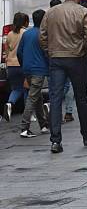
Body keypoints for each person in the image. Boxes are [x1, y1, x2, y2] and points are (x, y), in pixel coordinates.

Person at [40, 0, 87, 154]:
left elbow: (42, 36)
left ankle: (55, 141)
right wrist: (86, 52)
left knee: (56, 98)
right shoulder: (83, 12)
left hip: (56, 58)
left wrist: (49, 52)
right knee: (81, 97)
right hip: (76, 58)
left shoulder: (50, 12)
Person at [17, 9, 49, 137]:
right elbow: (47, 53)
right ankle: (24, 127)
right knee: (33, 98)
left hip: (27, 69)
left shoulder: (26, 34)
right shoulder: (43, 35)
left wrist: (24, 64)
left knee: (37, 97)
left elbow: (19, 52)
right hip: (38, 69)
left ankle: (43, 125)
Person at [3, 12, 29, 122]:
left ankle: (9, 104)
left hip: (11, 65)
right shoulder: (25, 33)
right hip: (22, 64)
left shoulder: (9, 34)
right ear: (24, 22)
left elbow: (6, 49)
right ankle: (28, 113)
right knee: (27, 88)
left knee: (16, 88)